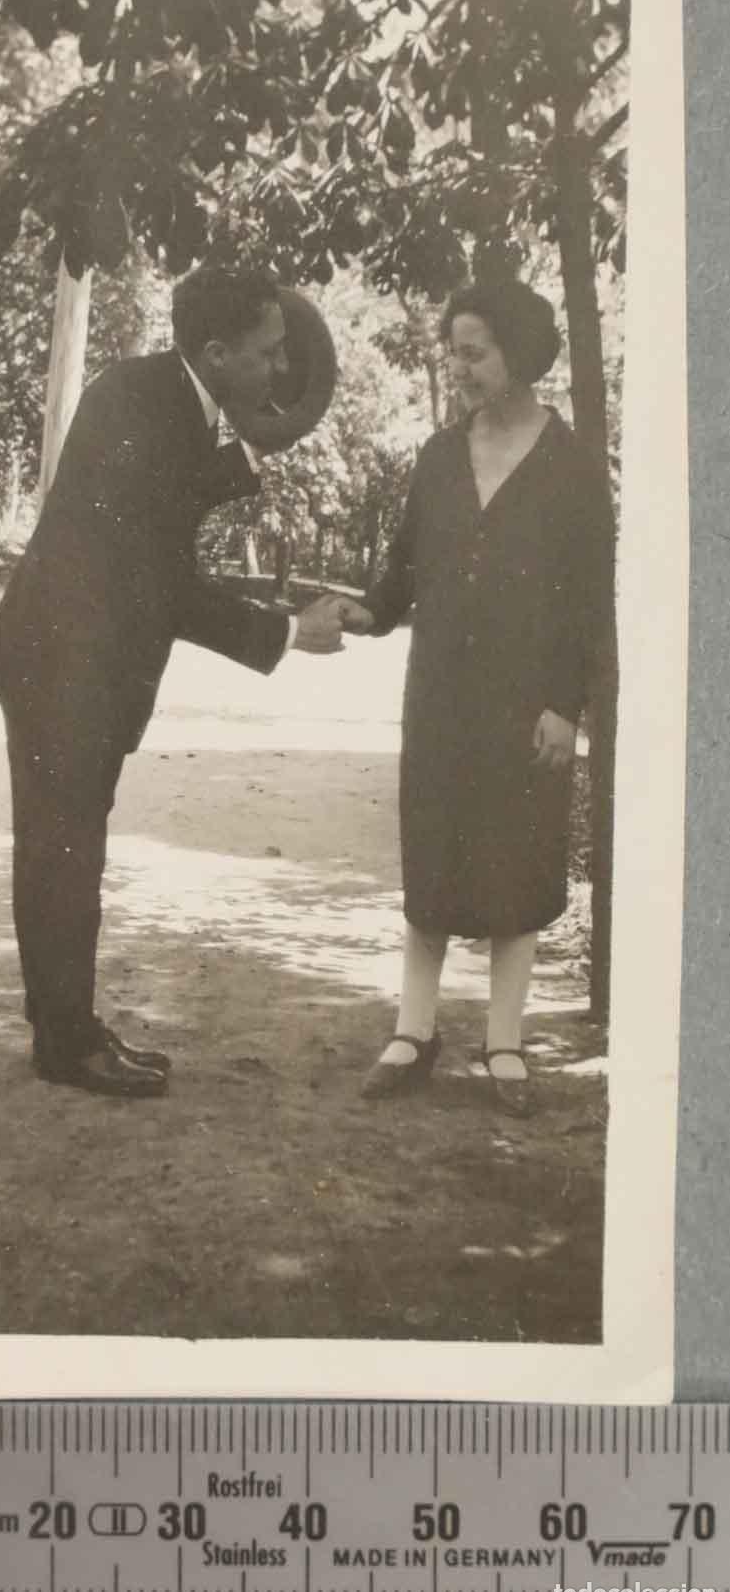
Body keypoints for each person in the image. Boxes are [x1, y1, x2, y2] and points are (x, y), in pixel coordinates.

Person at [0, 265, 348, 1098]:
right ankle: (67, 1046)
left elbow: (161, 507)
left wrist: (247, 446)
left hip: (68, 666)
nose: (276, 370)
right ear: (214, 352)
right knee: (65, 855)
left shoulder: (160, 398)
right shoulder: (150, 407)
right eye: (266, 352)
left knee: (60, 853)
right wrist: (286, 632)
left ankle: (64, 1027)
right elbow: (158, 577)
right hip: (63, 671)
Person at [341, 277, 616, 1117]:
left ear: (520, 353)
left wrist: (566, 707)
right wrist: (357, 612)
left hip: (525, 702)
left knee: (517, 860)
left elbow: (588, 600)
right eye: (452, 352)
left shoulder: (570, 466)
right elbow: (400, 575)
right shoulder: (436, 455)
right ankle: (412, 1030)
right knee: (431, 853)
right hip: (440, 696)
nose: (458, 368)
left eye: (474, 353)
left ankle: (504, 1041)